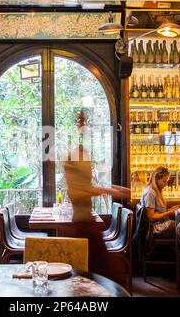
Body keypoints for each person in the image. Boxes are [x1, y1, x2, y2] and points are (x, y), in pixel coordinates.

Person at [63, 110, 132, 292]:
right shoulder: (73, 161)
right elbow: (80, 193)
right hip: (84, 223)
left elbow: (84, 189)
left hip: (85, 222)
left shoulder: (75, 158)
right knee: (100, 275)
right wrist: (109, 190)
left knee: (96, 275)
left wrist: (109, 189)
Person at [140, 166, 180, 239]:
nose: (166, 184)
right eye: (164, 181)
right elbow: (151, 217)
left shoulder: (156, 191)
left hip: (161, 224)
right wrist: (169, 212)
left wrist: (170, 210)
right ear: (156, 179)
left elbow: (157, 212)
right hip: (155, 228)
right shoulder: (150, 192)